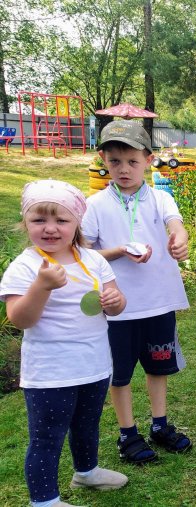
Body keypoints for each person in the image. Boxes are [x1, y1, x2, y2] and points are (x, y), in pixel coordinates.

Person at [1, 180, 128, 507]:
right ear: (25, 223)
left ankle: (86, 472)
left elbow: (116, 303)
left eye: (61, 220)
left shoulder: (94, 260)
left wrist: (115, 301)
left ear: (76, 224)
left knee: (87, 425)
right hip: (50, 373)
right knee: (47, 437)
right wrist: (41, 286)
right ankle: (44, 501)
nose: (50, 228)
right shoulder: (26, 267)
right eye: (39, 219)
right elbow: (20, 319)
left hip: (94, 364)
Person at [82, 120, 191, 463]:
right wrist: (118, 251)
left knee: (158, 369)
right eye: (115, 161)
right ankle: (127, 433)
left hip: (158, 303)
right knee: (121, 375)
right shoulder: (95, 205)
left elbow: (176, 225)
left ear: (148, 159)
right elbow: (84, 255)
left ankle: (160, 425)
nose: (124, 169)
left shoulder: (160, 198)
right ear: (103, 160)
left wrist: (179, 239)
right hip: (116, 308)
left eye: (132, 161)